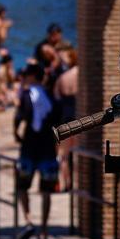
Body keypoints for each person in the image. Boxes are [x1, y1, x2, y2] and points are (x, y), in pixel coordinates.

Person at [14, 63, 59, 239]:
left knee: (22, 185)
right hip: (47, 146)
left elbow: (20, 116)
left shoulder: (26, 95)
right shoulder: (50, 95)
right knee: (46, 190)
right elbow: (57, 117)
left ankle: (28, 221)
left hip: (30, 145)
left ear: (32, 76)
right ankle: (44, 229)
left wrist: (16, 132)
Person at [54, 49, 78, 192]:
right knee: (76, 153)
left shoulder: (62, 78)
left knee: (64, 155)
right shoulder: (79, 74)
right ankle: (76, 183)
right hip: (79, 117)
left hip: (65, 117)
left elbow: (56, 96)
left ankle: (67, 183)